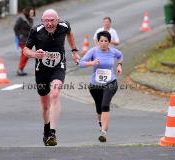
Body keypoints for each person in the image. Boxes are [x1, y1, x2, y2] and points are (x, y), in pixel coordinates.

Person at [23, 9, 80, 146]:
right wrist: (35, 54)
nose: (49, 23)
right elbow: (25, 50)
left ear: (57, 20)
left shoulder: (64, 26)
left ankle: (52, 133)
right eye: (46, 20)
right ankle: (46, 128)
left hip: (58, 67)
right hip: (41, 70)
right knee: (45, 105)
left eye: (52, 20)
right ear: (42, 21)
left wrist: (74, 51)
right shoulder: (36, 30)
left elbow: (70, 34)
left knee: (55, 94)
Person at [79, 31, 123, 142]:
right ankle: (101, 124)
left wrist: (119, 66)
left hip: (110, 83)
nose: (103, 43)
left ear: (109, 42)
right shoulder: (93, 51)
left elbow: (121, 55)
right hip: (95, 85)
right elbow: (81, 63)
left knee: (105, 105)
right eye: (101, 41)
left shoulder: (113, 51)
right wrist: (92, 63)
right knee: (99, 108)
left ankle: (103, 132)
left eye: (106, 41)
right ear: (98, 41)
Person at [14, 7, 35, 76]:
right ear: (27, 12)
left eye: (33, 12)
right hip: (22, 40)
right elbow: (15, 28)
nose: (32, 14)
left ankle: (21, 69)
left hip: (28, 40)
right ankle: (20, 69)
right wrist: (18, 36)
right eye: (31, 12)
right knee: (26, 54)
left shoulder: (31, 19)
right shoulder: (21, 19)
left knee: (25, 55)